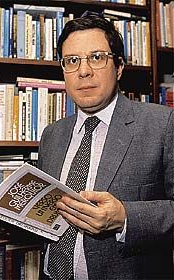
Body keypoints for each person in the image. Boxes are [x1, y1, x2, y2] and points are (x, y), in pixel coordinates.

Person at [38, 11, 174, 280]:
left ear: (120, 66)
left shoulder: (163, 124)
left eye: (97, 57)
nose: (84, 71)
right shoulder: (51, 135)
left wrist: (125, 217)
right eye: (72, 61)